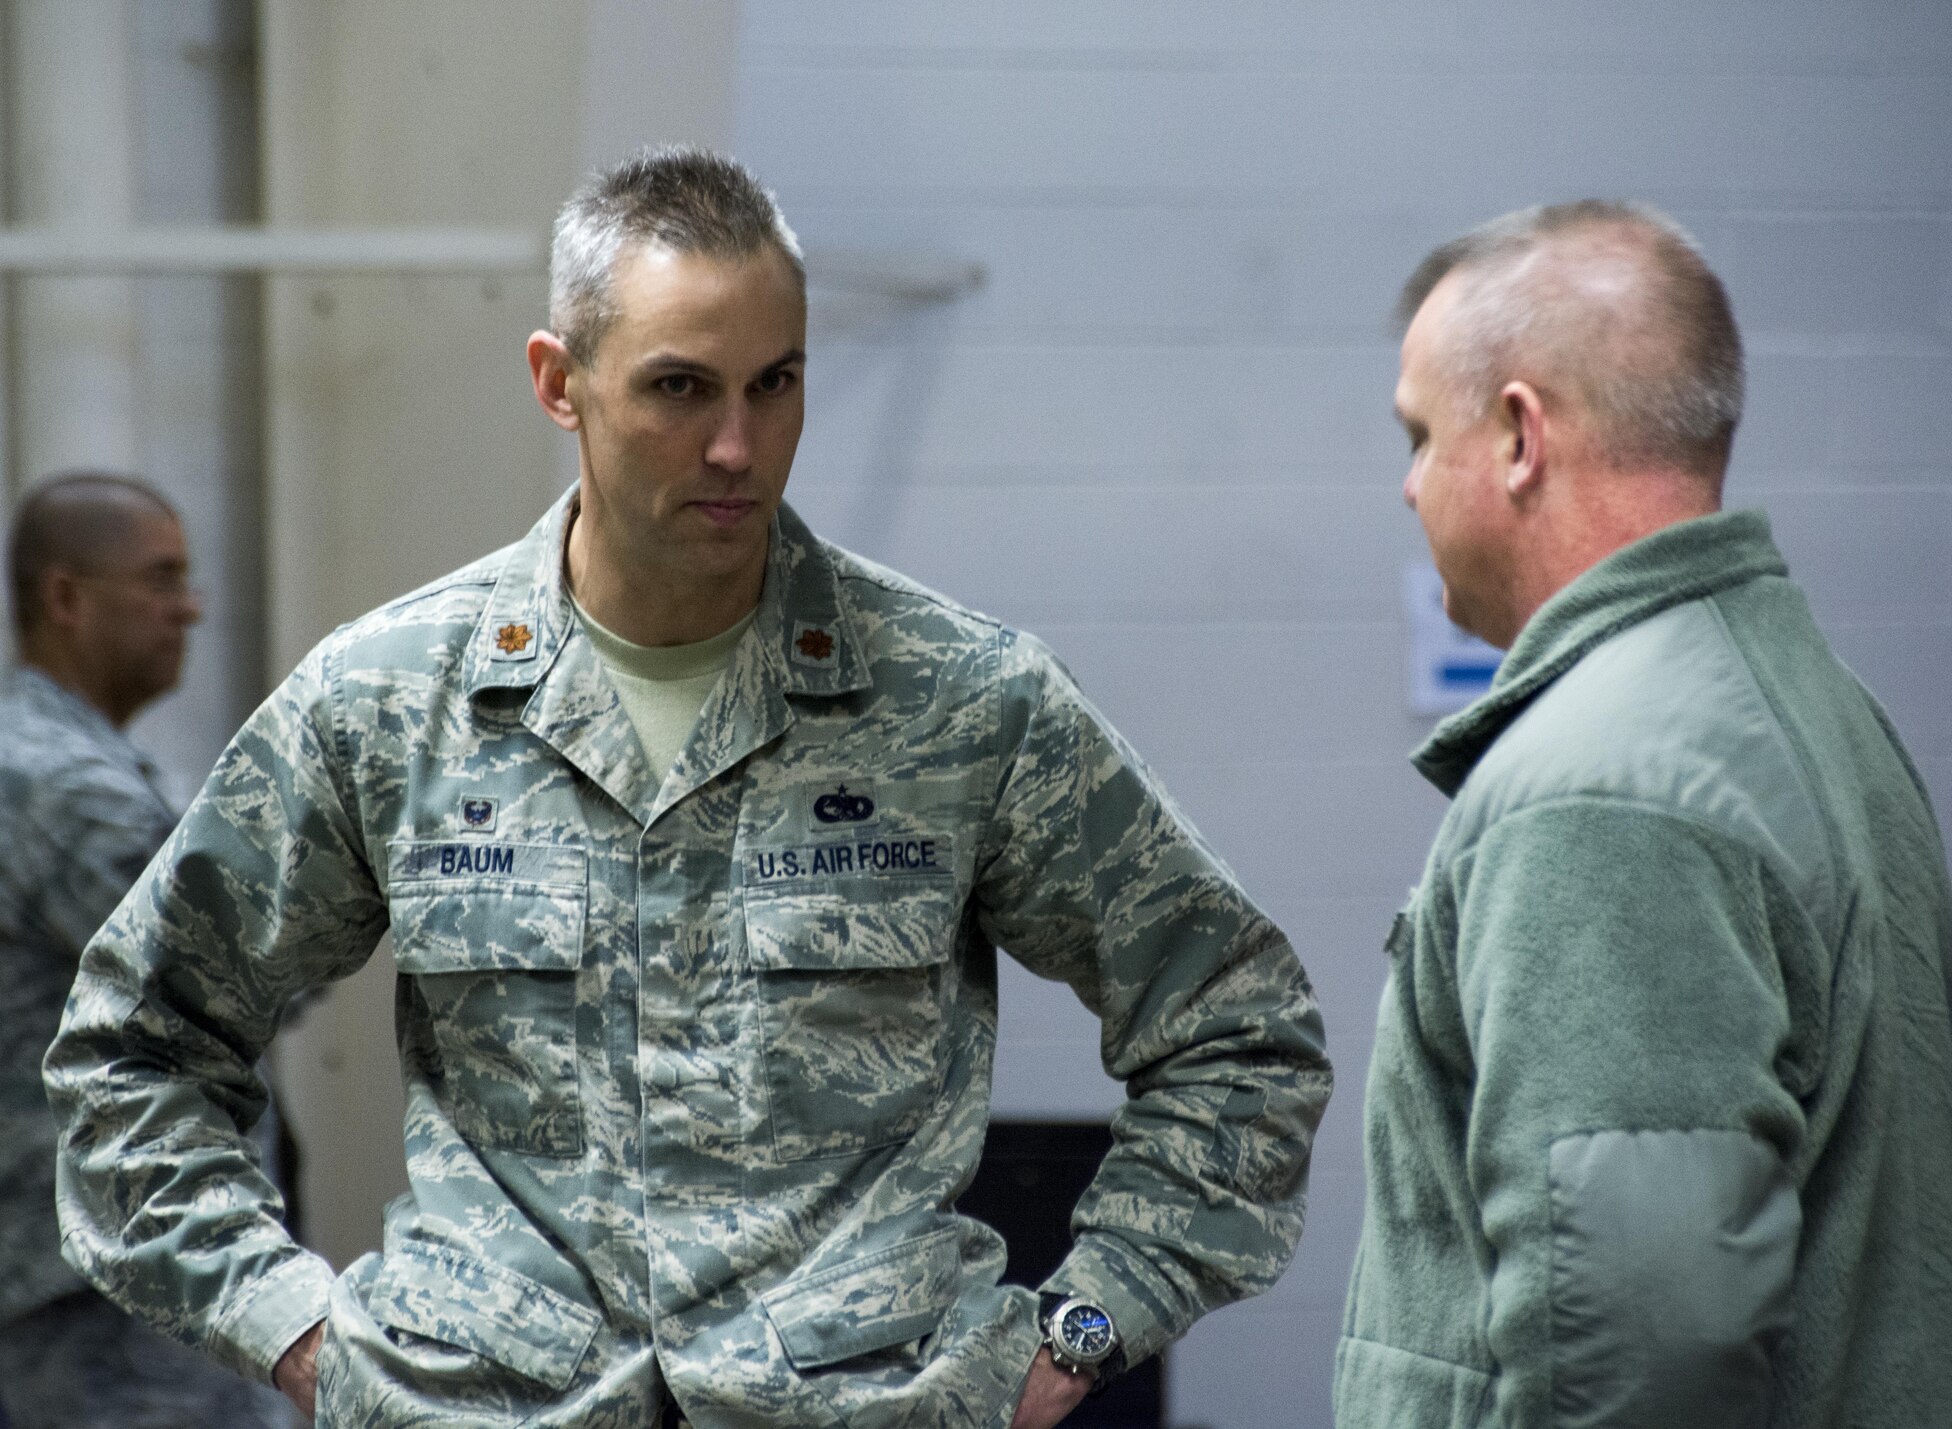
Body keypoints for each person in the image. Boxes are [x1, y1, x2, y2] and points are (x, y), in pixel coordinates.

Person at [46, 147, 1331, 1429]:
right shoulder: (389, 702)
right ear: (561, 383)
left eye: (775, 385)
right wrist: (299, 1331)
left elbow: (1239, 1028)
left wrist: (1086, 1326)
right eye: (679, 388)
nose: (735, 444)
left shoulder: (958, 700)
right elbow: (133, 1046)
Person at [1334, 200, 1952, 1427]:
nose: (1406, 487)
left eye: (1420, 436)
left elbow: (1635, 1351)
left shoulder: (1601, 787)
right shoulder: (1808, 708)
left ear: (1519, 435)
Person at [0, 474, 291, 1428]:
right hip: (112, 1286)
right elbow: (224, 962)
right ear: (67, 598)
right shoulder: (49, 778)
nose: (192, 607)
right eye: (162, 578)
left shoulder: (95, 761)